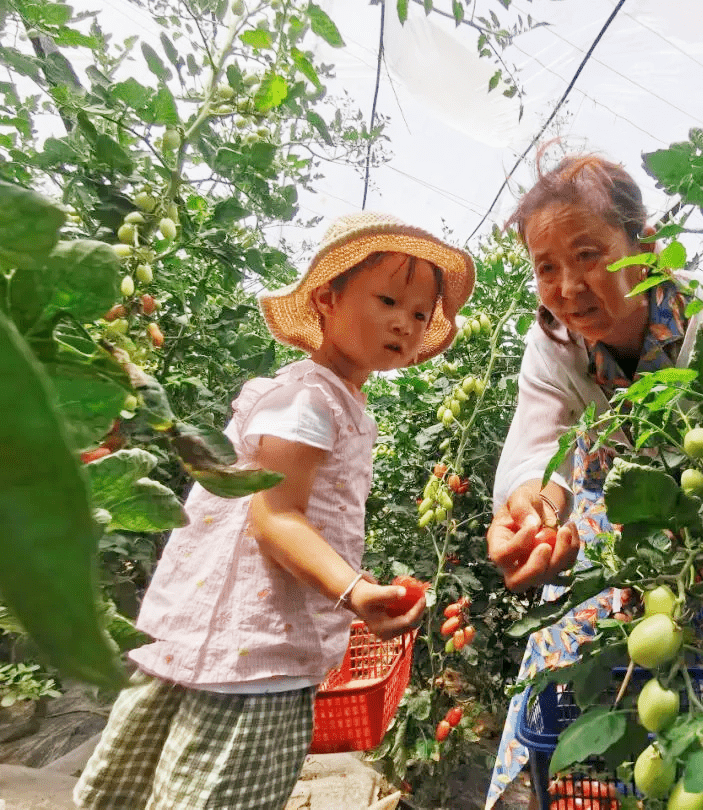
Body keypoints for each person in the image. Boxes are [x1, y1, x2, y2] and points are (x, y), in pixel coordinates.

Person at [74, 212, 475, 810]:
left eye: (420, 314)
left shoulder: (320, 396)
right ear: (325, 299)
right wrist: (355, 591)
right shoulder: (309, 400)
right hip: (255, 662)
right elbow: (276, 516)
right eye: (388, 299)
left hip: (201, 646)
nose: (404, 322)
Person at [483, 154, 703, 809]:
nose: (568, 285)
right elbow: (539, 446)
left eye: (588, 253)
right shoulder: (552, 344)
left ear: (646, 248)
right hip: (604, 531)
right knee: (577, 704)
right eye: (545, 266)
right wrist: (535, 514)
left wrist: (679, 559)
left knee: (697, 709)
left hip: (701, 535)